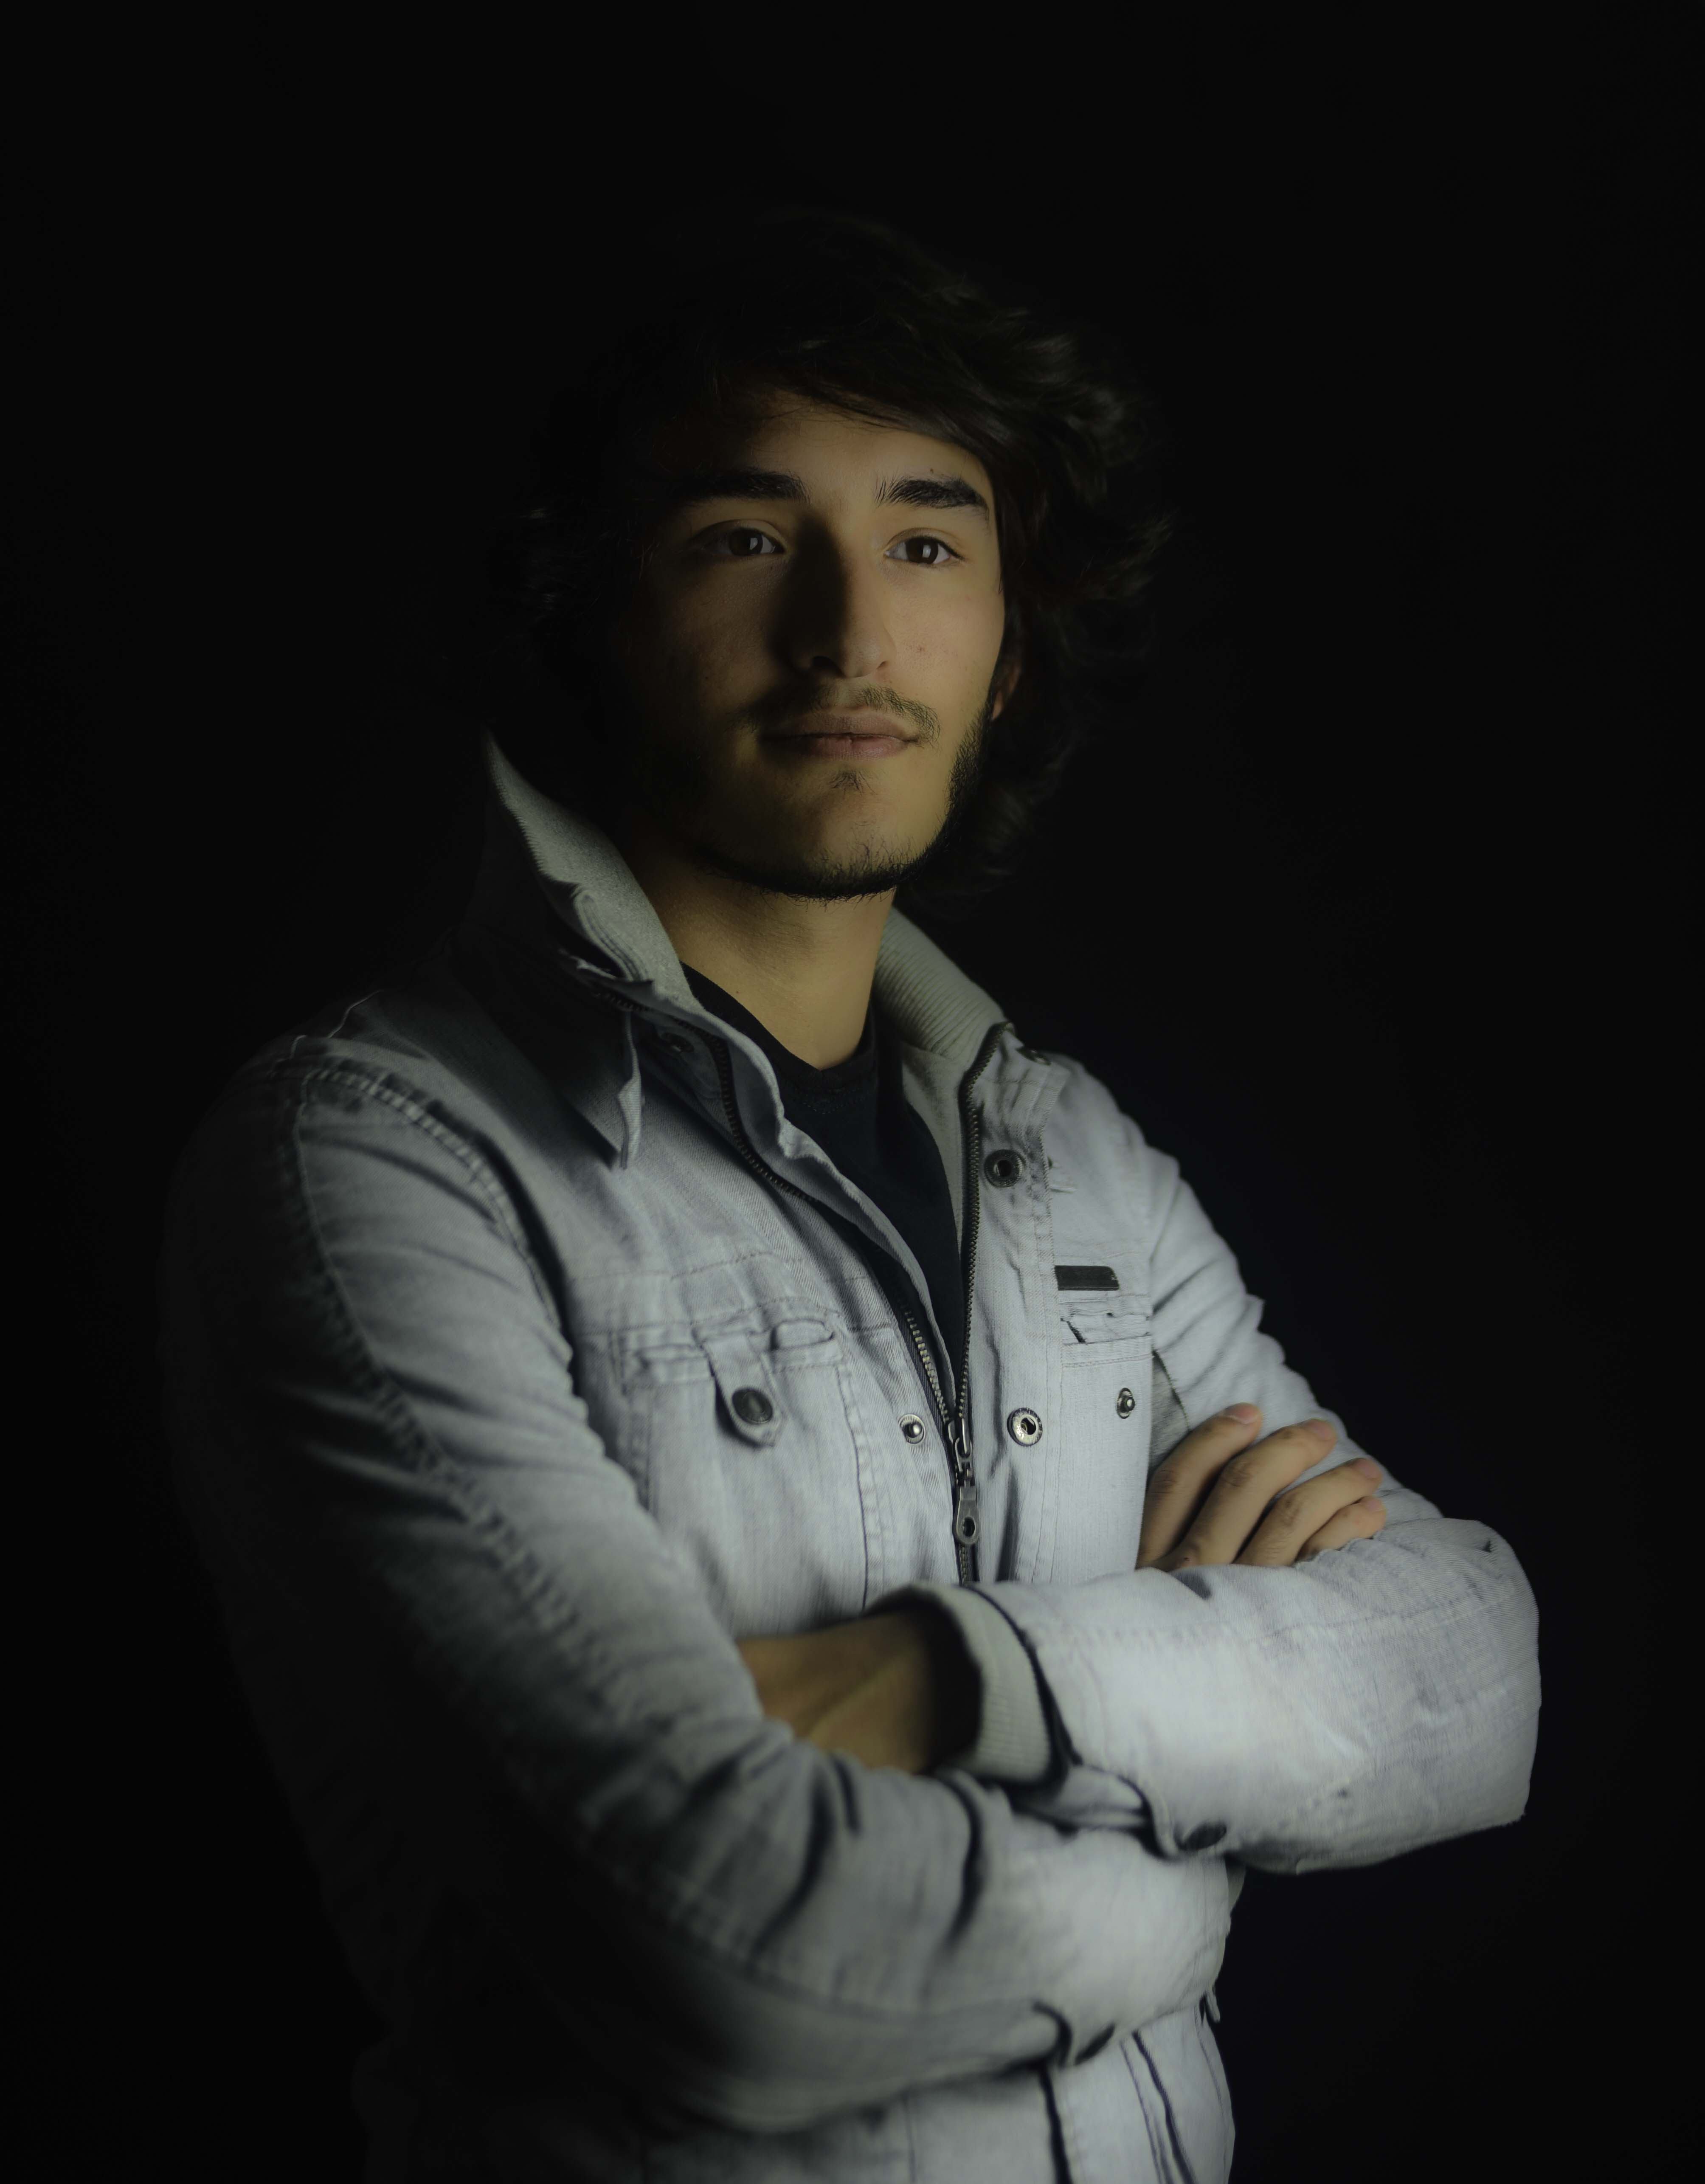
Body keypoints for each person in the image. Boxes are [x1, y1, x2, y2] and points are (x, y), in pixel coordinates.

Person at [153, 199, 1541, 2183]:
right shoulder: (372, 1157)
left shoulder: (1066, 1153)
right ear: (590, 605)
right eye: (743, 537)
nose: (846, 633)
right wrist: (1196, 1863)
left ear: (1006, 642)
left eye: (925, 540)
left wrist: (954, 1673)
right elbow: (725, 1954)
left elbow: (1473, 1675)